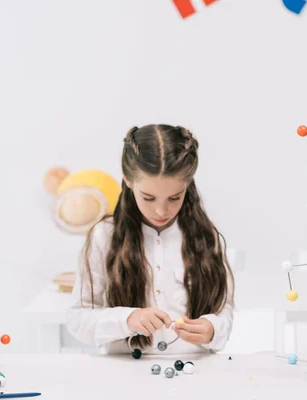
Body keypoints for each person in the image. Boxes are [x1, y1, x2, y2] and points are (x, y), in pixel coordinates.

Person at [66, 124, 234, 355]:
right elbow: (78, 319)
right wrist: (127, 319)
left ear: (187, 184)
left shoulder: (207, 237)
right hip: (124, 377)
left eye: (175, 197)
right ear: (128, 180)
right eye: (148, 197)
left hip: (197, 373)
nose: (161, 210)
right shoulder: (104, 236)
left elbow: (225, 310)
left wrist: (213, 330)